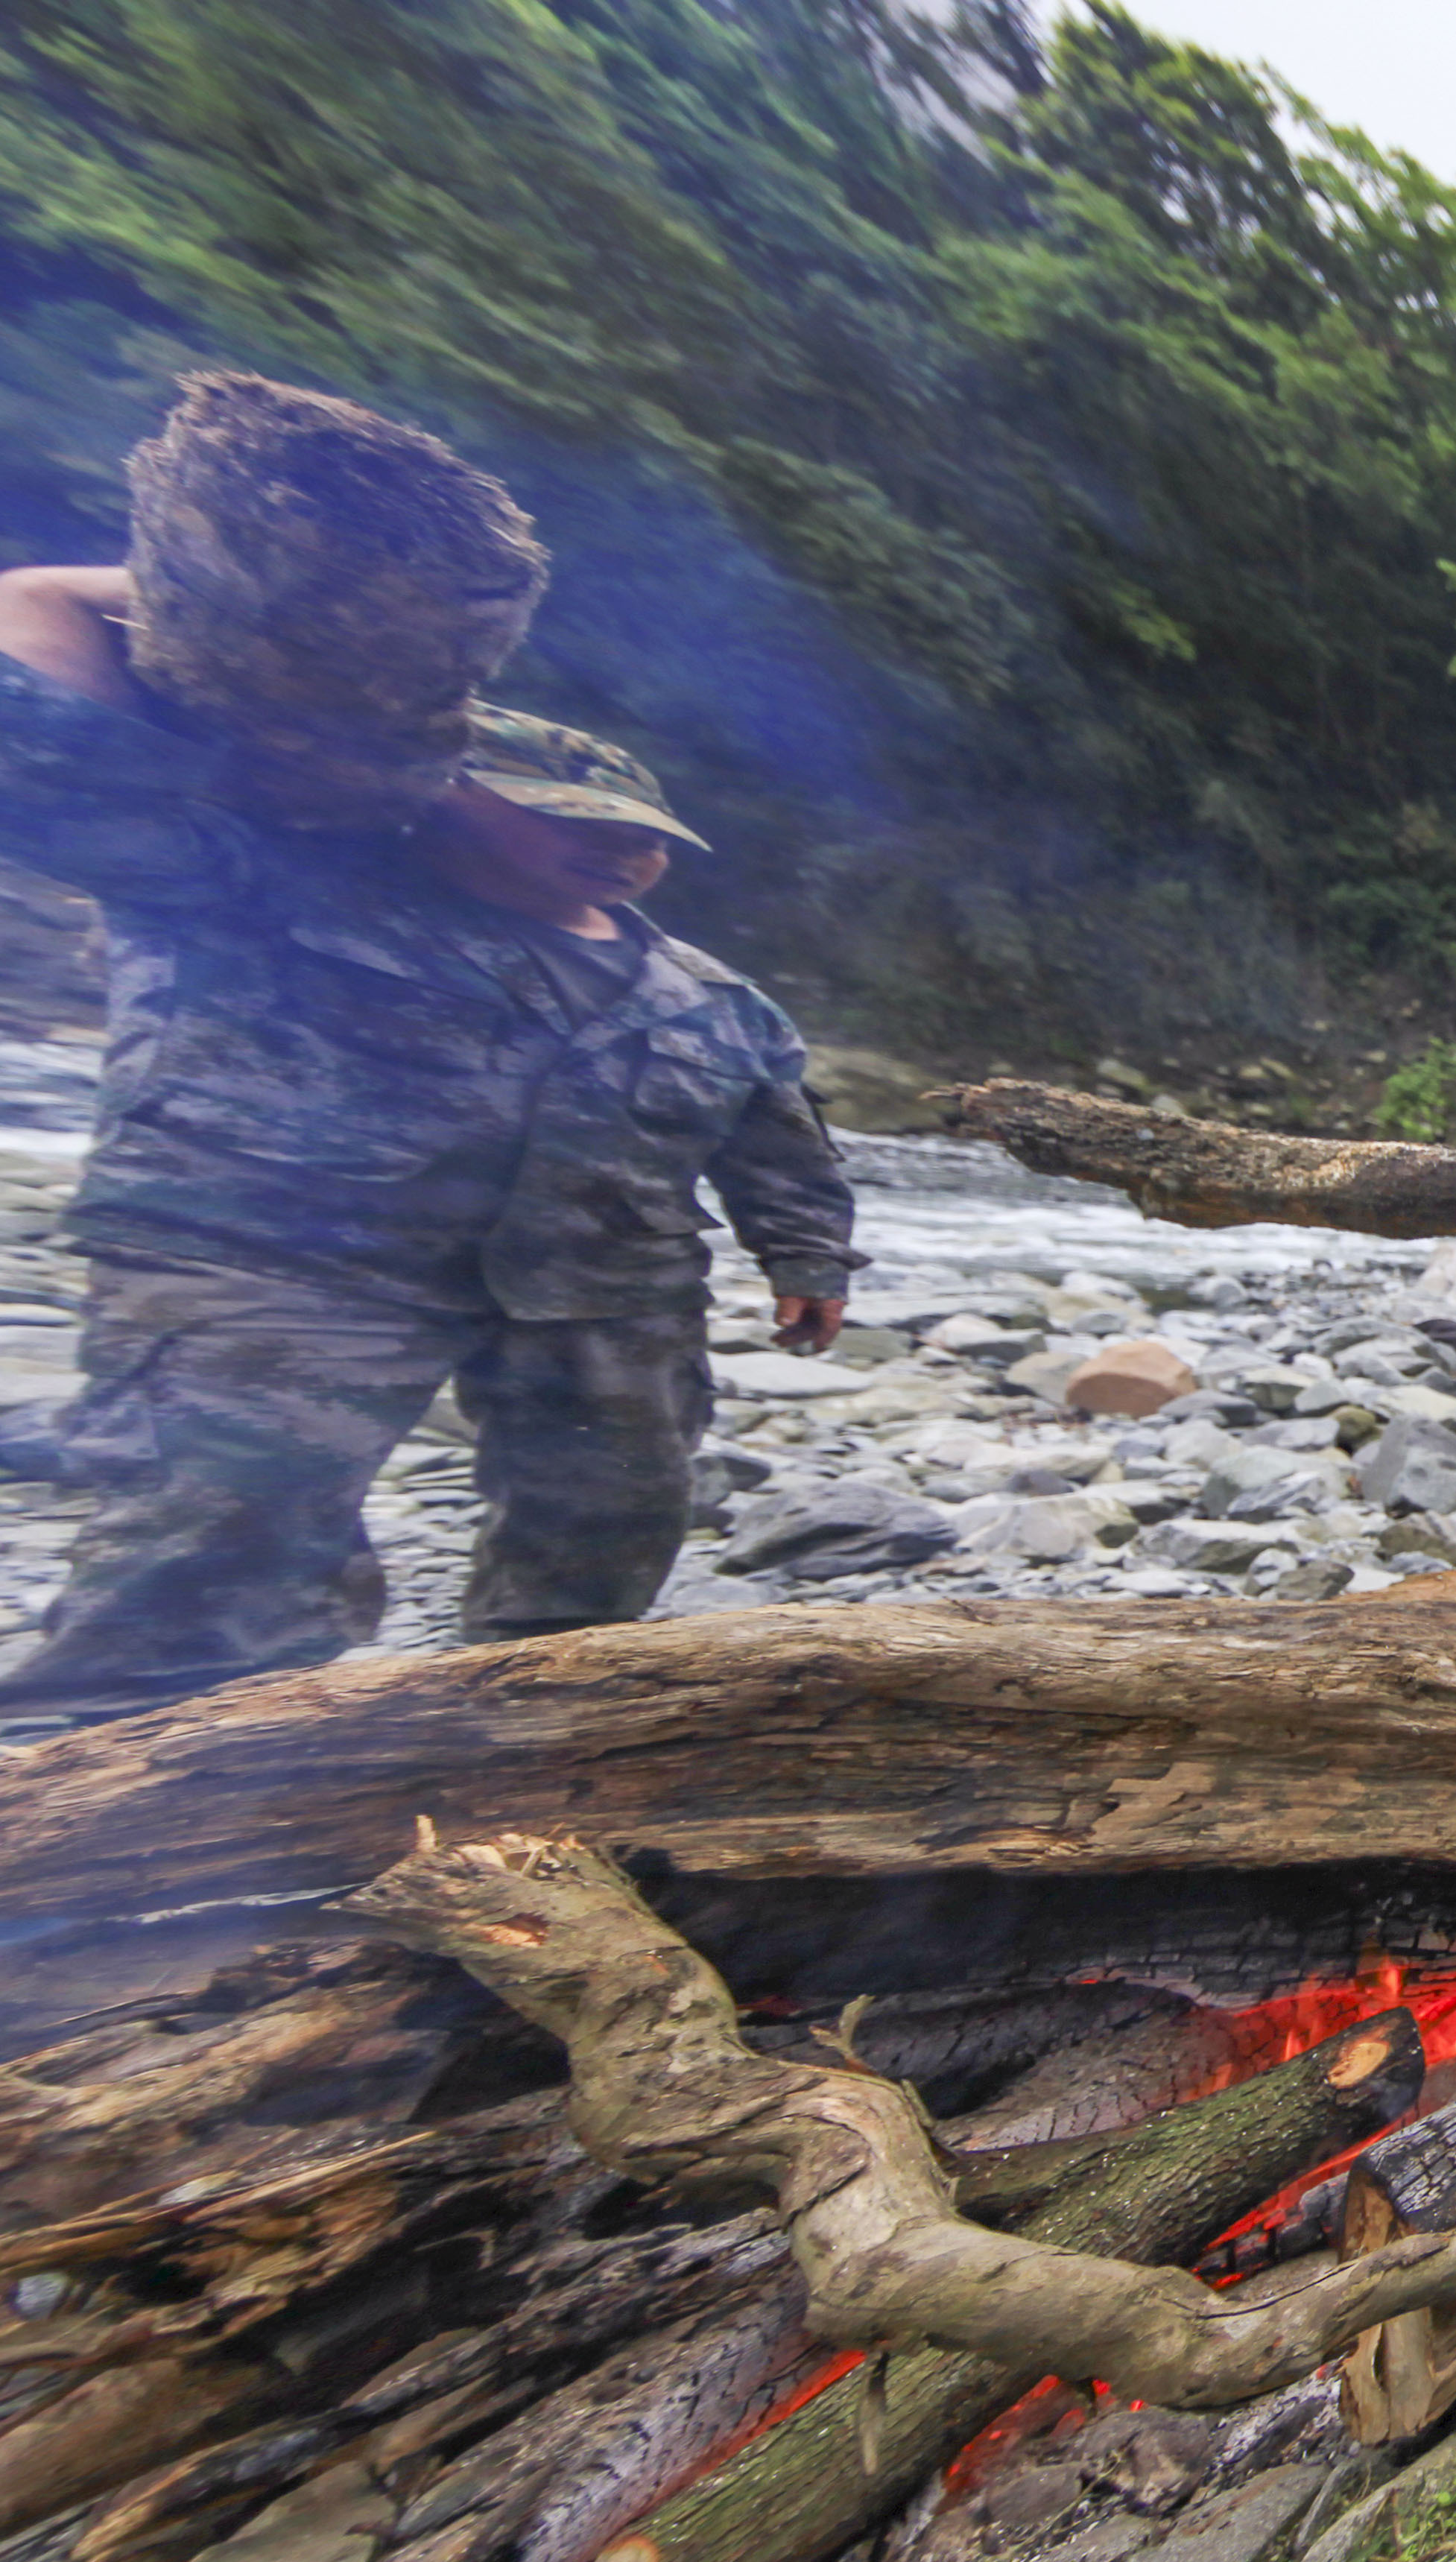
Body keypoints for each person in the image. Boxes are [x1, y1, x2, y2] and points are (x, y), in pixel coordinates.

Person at [0, 563, 861, 1728]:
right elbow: (55, 767)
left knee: (598, 1564)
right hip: (285, 1274)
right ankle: (84, 1833)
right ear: (444, 792)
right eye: (568, 814)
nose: (618, 846)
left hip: (604, 1291)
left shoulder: (711, 995)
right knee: (207, 1570)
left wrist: (808, 1262)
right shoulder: (260, 882)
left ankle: (512, 1776)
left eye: (642, 833)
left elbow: (778, 1144)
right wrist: (136, 587)